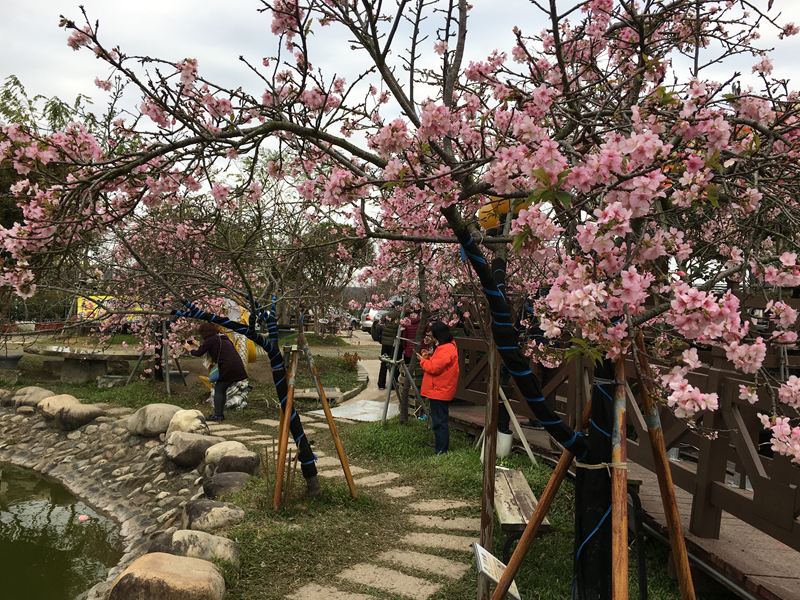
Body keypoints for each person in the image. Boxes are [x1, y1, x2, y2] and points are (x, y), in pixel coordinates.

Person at [185, 322, 248, 421]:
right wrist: (197, 345)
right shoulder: (222, 337)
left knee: (219, 389)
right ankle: (219, 414)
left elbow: (198, 353)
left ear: (204, 332)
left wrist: (189, 349)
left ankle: (218, 415)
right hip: (236, 366)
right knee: (221, 389)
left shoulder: (210, 340)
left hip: (227, 368)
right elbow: (207, 349)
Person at [417, 321, 460, 454]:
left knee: (439, 422)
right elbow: (438, 364)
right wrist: (428, 357)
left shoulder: (446, 349)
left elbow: (434, 368)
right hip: (440, 389)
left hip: (440, 391)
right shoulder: (447, 347)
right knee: (439, 420)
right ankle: (441, 447)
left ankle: (441, 450)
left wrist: (422, 361)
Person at [377, 299, 402, 389]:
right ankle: (392, 385)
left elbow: (378, 326)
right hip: (394, 344)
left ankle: (381, 384)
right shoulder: (400, 317)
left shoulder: (385, 315)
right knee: (394, 364)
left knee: (384, 363)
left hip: (385, 343)